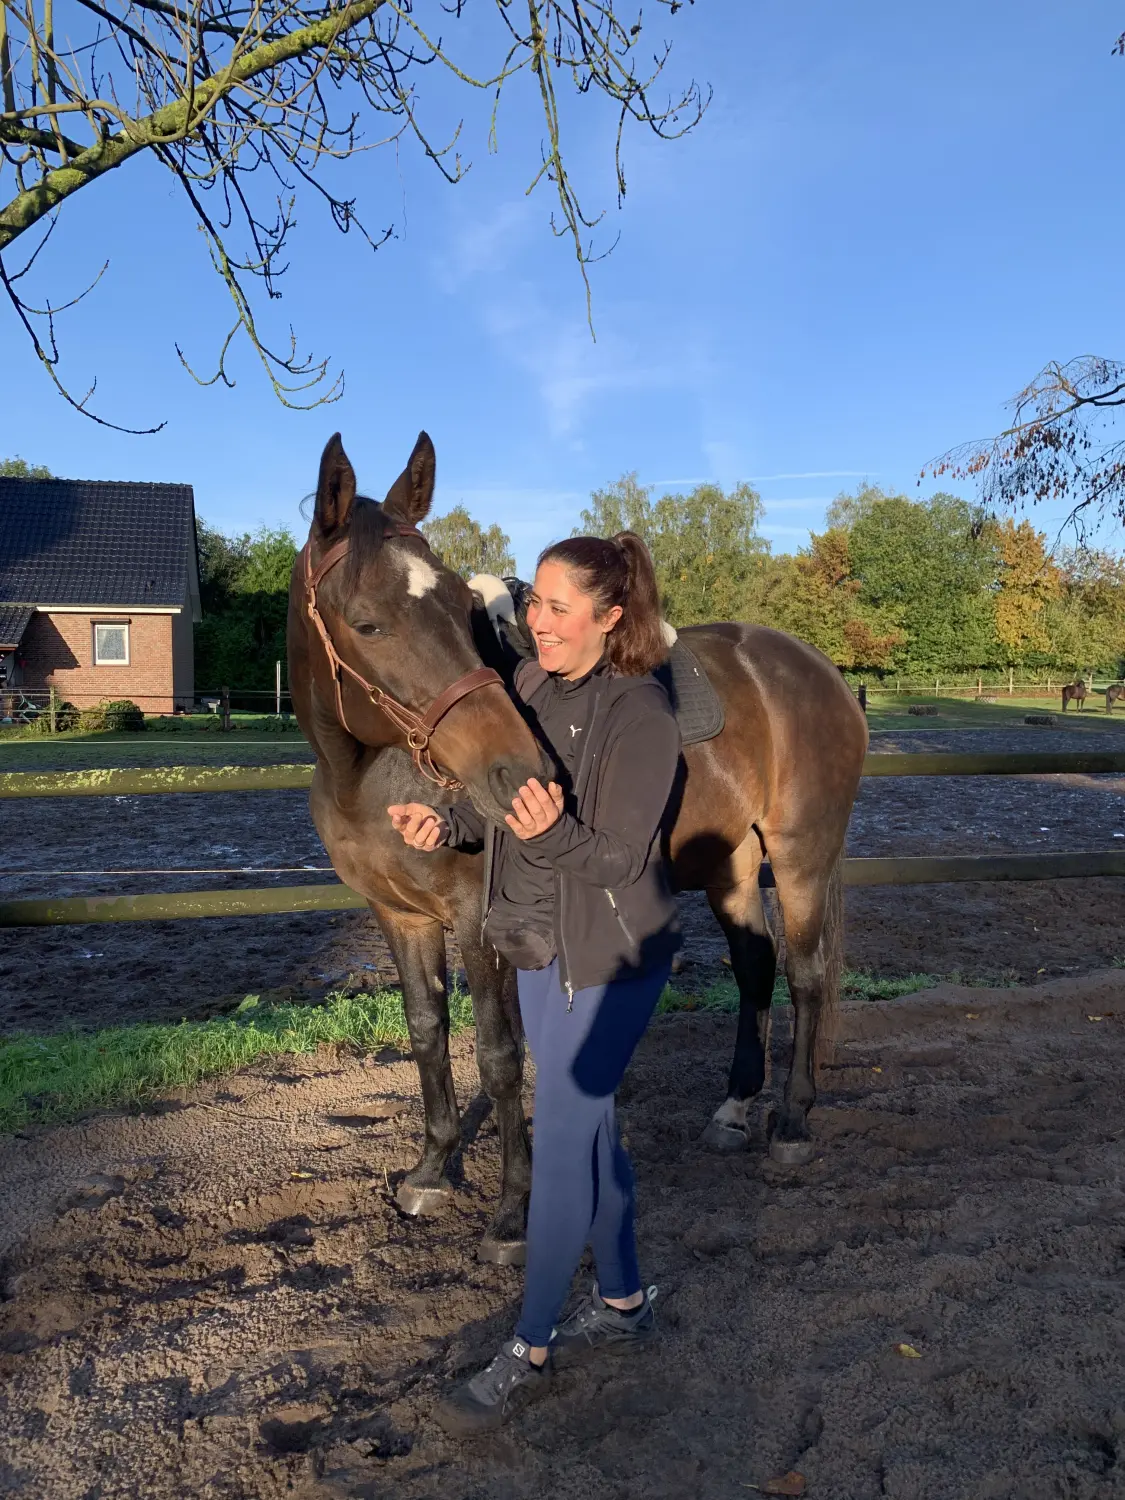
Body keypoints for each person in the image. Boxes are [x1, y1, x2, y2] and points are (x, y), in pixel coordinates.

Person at [387, 532, 682, 1436]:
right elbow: (500, 816)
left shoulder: (643, 717)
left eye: (557, 608)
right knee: (590, 1140)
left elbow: (616, 860)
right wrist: (446, 827)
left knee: (559, 1146)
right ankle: (625, 1302)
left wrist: (547, 833)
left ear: (609, 617)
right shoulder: (522, 690)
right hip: (535, 948)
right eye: (535, 604)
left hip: (611, 954)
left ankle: (531, 1342)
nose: (535, 623)